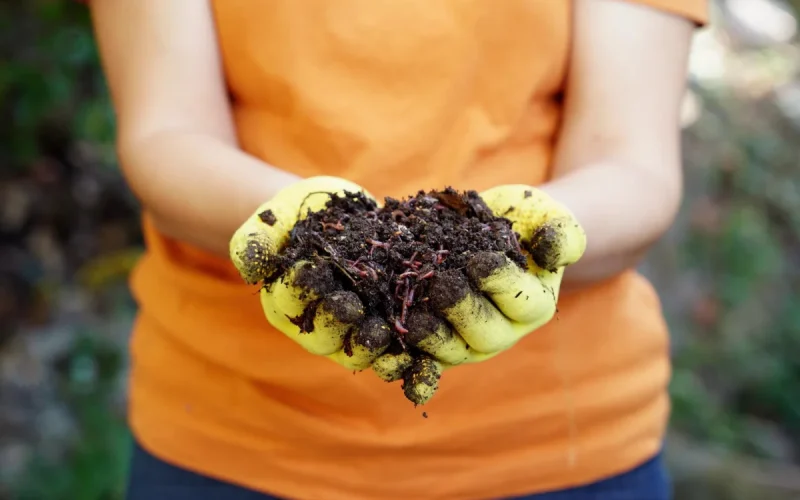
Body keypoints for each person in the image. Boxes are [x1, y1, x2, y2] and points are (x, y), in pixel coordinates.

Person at [88, 0, 708, 499]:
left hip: (561, 444)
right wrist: (297, 225)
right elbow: (167, 131)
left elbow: (631, 162)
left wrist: (533, 236)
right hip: (230, 434)